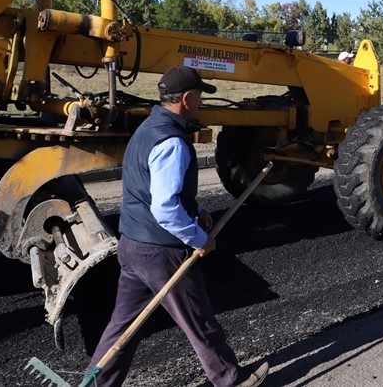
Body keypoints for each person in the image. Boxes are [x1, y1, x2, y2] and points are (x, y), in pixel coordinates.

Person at [87, 65, 269, 387]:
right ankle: (232, 380)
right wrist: (199, 238)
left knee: (121, 326)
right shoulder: (172, 143)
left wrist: (196, 209)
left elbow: (150, 189)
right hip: (161, 253)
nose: (200, 103)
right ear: (187, 98)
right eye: (199, 97)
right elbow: (165, 208)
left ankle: (96, 384)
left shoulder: (147, 130)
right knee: (199, 320)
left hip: (131, 246)